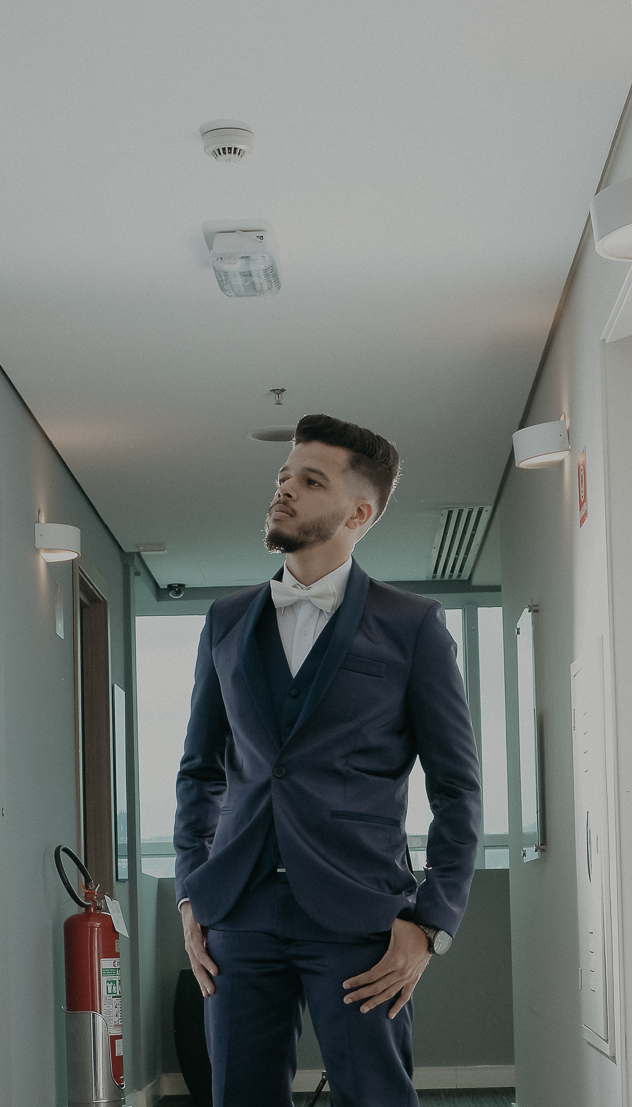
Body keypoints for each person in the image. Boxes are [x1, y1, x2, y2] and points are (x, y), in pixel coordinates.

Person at [174, 414, 481, 1107]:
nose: (283, 491)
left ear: (359, 511)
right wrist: (191, 892)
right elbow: (200, 770)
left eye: (310, 481)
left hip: (362, 918)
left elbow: (458, 791)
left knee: (375, 1097)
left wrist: (430, 922)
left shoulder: (412, 627)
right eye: (284, 477)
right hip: (238, 914)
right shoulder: (225, 620)